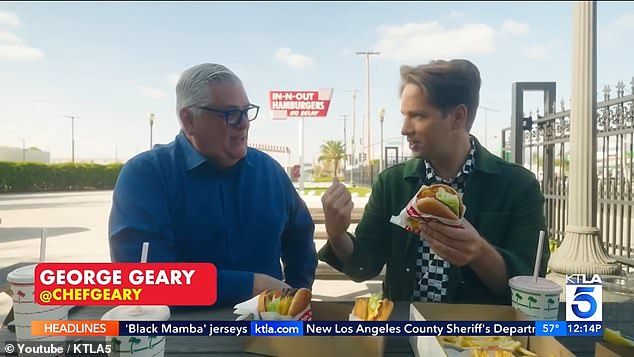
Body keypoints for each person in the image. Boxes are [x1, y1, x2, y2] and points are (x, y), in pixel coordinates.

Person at [319, 59, 549, 305]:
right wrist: (337, 234)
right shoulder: (393, 183)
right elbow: (364, 266)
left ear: (458, 117)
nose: (405, 129)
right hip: (404, 333)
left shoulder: (517, 185)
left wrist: (480, 253)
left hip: (483, 338)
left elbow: (530, 283)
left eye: (418, 116)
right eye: (404, 116)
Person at [109, 63, 317, 307]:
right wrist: (252, 285)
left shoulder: (270, 172)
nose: (244, 123)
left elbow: (301, 239)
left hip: (267, 334)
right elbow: (143, 280)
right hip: (180, 337)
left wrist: (294, 300)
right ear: (188, 120)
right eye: (230, 113)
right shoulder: (145, 175)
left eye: (246, 111)